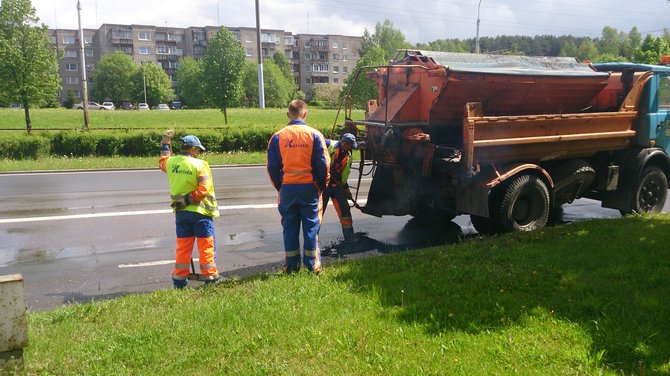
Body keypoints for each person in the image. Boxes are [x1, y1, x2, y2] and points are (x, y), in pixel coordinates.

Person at [266, 100, 330, 273]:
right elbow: (323, 164)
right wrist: (321, 186)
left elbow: (271, 167)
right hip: (310, 189)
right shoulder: (315, 135)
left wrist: (280, 186)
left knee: (290, 228)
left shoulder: (278, 137)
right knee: (311, 227)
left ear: (288, 114)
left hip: (287, 188)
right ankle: (312, 266)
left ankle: (292, 267)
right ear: (305, 114)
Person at [159, 131, 221, 288]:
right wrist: (187, 201)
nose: (199, 153)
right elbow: (204, 189)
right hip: (200, 214)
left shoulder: (172, 163)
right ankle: (210, 279)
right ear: (193, 149)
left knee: (183, 247)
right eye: (199, 150)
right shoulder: (199, 165)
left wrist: (165, 142)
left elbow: (163, 160)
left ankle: (179, 281)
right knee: (205, 246)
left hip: (181, 214)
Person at [323, 133, 358, 241]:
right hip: (324, 185)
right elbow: (314, 143)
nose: (351, 148)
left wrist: (346, 189)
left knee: (345, 209)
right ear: (344, 143)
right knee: (319, 211)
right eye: (350, 146)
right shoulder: (329, 145)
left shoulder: (348, 156)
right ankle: (313, 238)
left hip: (337, 186)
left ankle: (349, 236)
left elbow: (343, 175)